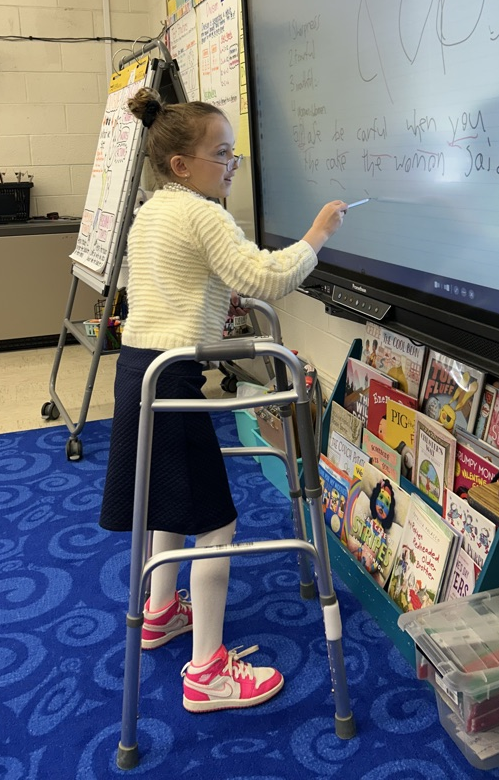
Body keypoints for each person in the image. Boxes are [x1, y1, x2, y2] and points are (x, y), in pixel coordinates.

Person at [99, 87, 347, 713]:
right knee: (216, 523)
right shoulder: (205, 214)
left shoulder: (154, 209)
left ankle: (159, 612)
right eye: (223, 154)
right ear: (182, 165)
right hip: (175, 378)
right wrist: (318, 232)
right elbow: (265, 276)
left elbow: (179, 283)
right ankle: (207, 672)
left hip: (139, 372)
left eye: (234, 154)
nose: (233, 164)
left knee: (166, 501)